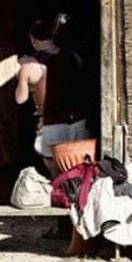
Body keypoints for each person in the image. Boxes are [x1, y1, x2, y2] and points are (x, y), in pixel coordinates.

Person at [15, 15, 90, 179]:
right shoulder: (74, 56)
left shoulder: (31, 64)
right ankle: (76, 197)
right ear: (51, 35)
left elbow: (20, 99)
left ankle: (61, 194)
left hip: (52, 121)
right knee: (77, 164)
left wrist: (21, 76)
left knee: (54, 166)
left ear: (33, 40)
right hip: (78, 119)